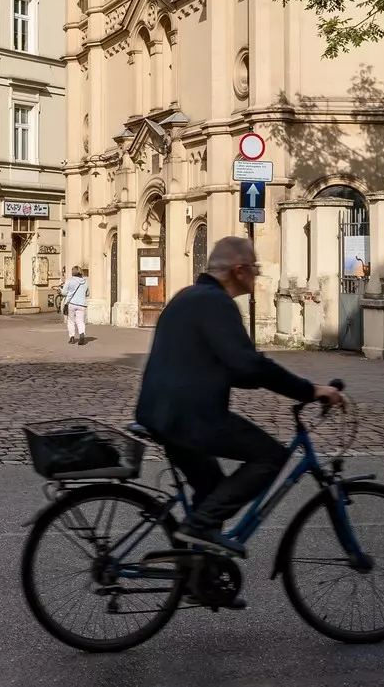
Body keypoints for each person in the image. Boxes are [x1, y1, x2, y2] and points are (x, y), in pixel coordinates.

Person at [134, 235, 342, 554]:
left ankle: (196, 574)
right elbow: (248, 365)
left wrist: (263, 378)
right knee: (271, 456)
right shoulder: (216, 303)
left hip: (162, 413)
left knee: (213, 492)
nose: (257, 275)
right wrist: (310, 390)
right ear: (240, 270)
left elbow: (229, 367)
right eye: (255, 268)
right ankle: (198, 528)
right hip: (190, 417)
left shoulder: (188, 296)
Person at [62, 265, 90, 345]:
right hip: (82, 304)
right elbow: (87, 293)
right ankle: (82, 334)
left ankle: (72, 337)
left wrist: (67, 293)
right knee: (80, 321)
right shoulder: (85, 282)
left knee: (71, 321)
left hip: (71, 303)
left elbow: (64, 293)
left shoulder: (69, 281)